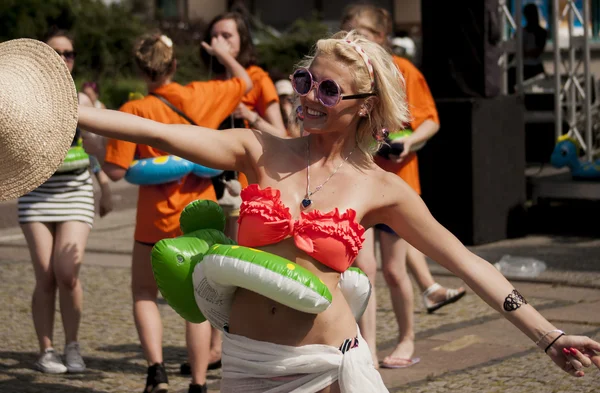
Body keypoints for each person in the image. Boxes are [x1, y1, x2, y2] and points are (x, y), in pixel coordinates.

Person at [76, 30, 600, 392]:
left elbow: (470, 264)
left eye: (329, 90)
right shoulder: (256, 149)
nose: (308, 97)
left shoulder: (382, 190)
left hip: (323, 365)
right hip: (245, 360)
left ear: (365, 105)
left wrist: (548, 335)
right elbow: (157, 131)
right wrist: (70, 109)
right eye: (305, 81)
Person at [99, 32, 253, 393]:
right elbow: (244, 82)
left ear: (140, 69)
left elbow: (116, 171)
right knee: (196, 302)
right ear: (174, 65)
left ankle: (156, 373)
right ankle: (198, 383)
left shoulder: (133, 110)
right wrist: (221, 53)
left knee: (142, 293)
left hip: (152, 220)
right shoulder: (200, 95)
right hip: (198, 216)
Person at [341, 4, 466, 368]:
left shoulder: (405, 70)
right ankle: (368, 349)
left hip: (397, 183)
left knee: (396, 271)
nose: (354, 41)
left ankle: (407, 338)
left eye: (362, 34)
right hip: (357, 182)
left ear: (381, 38)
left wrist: (409, 142)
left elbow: (430, 120)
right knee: (364, 270)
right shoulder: (346, 72)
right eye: (349, 33)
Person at [187, 11, 288, 373]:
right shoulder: (211, 85)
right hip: (210, 186)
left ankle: (230, 345)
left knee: (239, 268)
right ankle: (216, 344)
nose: (219, 43)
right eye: (214, 36)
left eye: (227, 36)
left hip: (249, 193)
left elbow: (281, 133)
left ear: (243, 40)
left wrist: (250, 114)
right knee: (216, 264)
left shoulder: (258, 80)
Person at [18, 28, 113, 374]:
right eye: (57, 52)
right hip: (36, 194)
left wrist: (104, 185)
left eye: (69, 53)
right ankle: (46, 350)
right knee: (45, 276)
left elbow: (93, 151)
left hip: (75, 192)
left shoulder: (81, 101)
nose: (63, 59)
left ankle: (73, 345)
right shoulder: (22, 97)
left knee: (67, 273)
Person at [523, 3, 548, 80]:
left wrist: (525, 53)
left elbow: (538, 52)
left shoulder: (542, 32)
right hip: (524, 67)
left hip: (535, 67)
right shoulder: (521, 32)